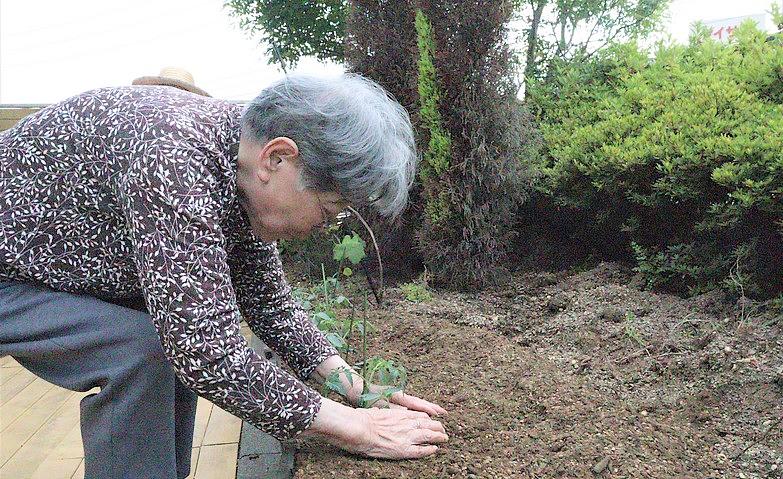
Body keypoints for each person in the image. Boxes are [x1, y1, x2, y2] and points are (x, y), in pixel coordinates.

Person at [0, 73, 448, 479]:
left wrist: (359, 392)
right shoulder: (173, 160)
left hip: (45, 272)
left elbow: (270, 305)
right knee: (140, 347)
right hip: (9, 274)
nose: (324, 226)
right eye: (330, 210)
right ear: (278, 158)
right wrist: (356, 428)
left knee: (160, 336)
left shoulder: (238, 158)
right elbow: (207, 352)